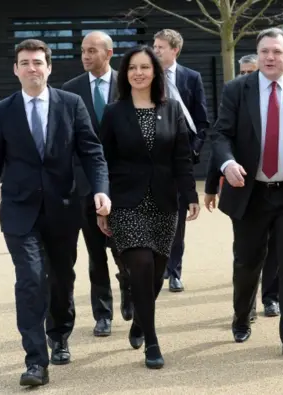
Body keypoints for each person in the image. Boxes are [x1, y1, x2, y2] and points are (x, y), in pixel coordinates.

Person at [0, 39, 110, 386]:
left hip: (63, 209)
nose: (32, 68)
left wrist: (100, 188)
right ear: (16, 69)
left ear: (49, 68)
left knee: (61, 277)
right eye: (25, 63)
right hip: (20, 211)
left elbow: (91, 151)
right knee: (31, 280)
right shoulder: (3, 109)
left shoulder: (71, 103)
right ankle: (35, 361)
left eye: (38, 62)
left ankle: (60, 333)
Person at [211, 27, 283, 360]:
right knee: (248, 262)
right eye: (264, 52)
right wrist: (227, 163)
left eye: (277, 51)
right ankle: (242, 314)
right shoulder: (237, 89)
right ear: (258, 55)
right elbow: (220, 135)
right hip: (250, 193)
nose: (270, 57)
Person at [98, 45, 199, 368]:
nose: (138, 73)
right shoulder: (114, 112)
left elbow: (182, 157)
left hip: (165, 201)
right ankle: (152, 343)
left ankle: (139, 319)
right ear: (125, 74)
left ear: (155, 72)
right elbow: (102, 159)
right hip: (125, 201)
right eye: (132, 68)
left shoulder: (171, 109)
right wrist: (102, 202)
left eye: (144, 67)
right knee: (140, 263)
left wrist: (191, 195)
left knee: (155, 275)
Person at [61, 30, 133, 337]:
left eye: (92, 50)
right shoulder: (71, 90)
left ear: (109, 52)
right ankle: (102, 314)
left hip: (125, 187)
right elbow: (68, 144)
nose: (86, 56)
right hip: (86, 188)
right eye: (83, 51)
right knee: (95, 253)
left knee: (124, 249)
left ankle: (129, 288)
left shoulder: (130, 84)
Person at [204, 54, 280, 320]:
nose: (247, 75)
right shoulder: (234, 97)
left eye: (252, 70)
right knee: (247, 252)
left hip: (277, 186)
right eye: (243, 71)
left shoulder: (274, 96)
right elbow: (219, 143)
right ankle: (246, 309)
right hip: (243, 190)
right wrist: (212, 186)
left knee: (275, 248)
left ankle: (271, 297)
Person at [153, 28, 210, 292]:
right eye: (154, 46)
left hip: (179, 160)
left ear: (175, 50)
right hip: (151, 159)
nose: (155, 51)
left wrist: (193, 152)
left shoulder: (191, 78)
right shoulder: (145, 76)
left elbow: (202, 122)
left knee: (176, 217)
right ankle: (157, 265)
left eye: (161, 47)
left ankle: (174, 270)